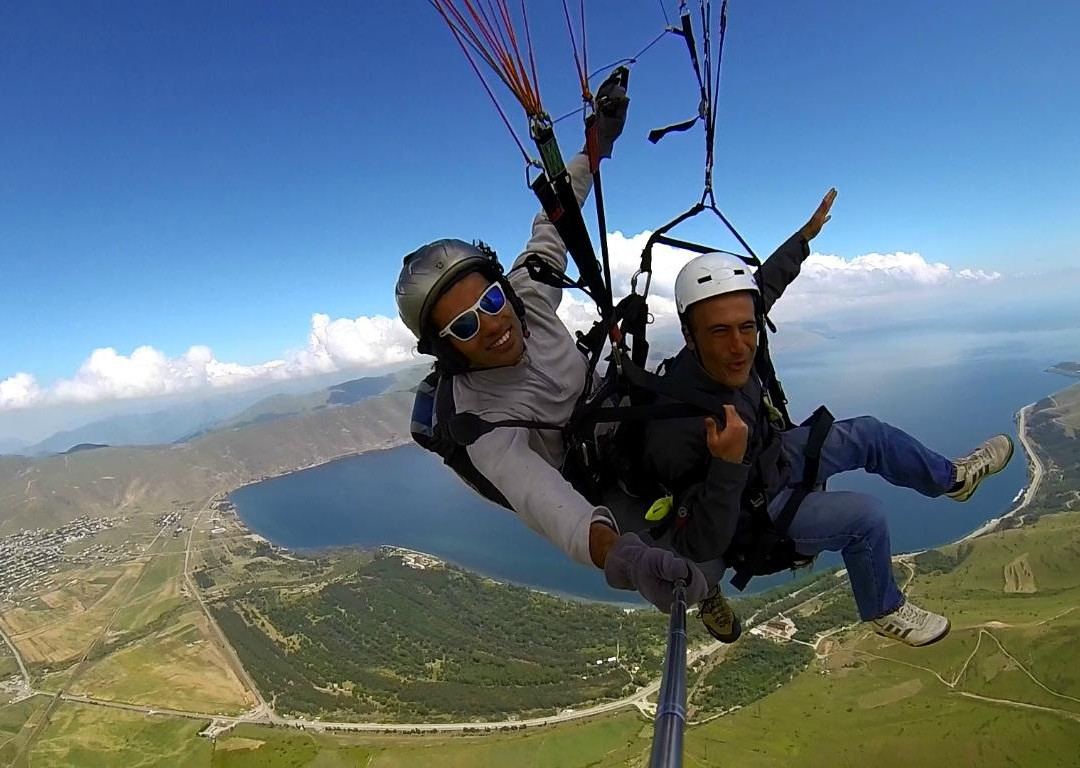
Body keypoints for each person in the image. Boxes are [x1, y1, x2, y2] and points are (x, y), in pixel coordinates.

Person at [642, 190, 1014, 646]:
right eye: (720, 331)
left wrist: (805, 236)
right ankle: (884, 607)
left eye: (747, 327)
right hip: (754, 511)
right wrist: (725, 465)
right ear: (689, 335)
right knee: (867, 518)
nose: (740, 346)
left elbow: (765, 287)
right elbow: (701, 543)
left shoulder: (725, 348)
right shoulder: (676, 424)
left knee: (871, 434)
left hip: (773, 459)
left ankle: (953, 480)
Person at [394, 77, 708, 614]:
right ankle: (704, 590)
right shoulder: (482, 425)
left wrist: (595, 147)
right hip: (595, 472)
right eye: (466, 327)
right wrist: (624, 559)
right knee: (677, 546)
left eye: (490, 301)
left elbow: (557, 220)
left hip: (617, 405)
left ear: (502, 288)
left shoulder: (526, 296)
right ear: (447, 351)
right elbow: (553, 508)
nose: (492, 325)